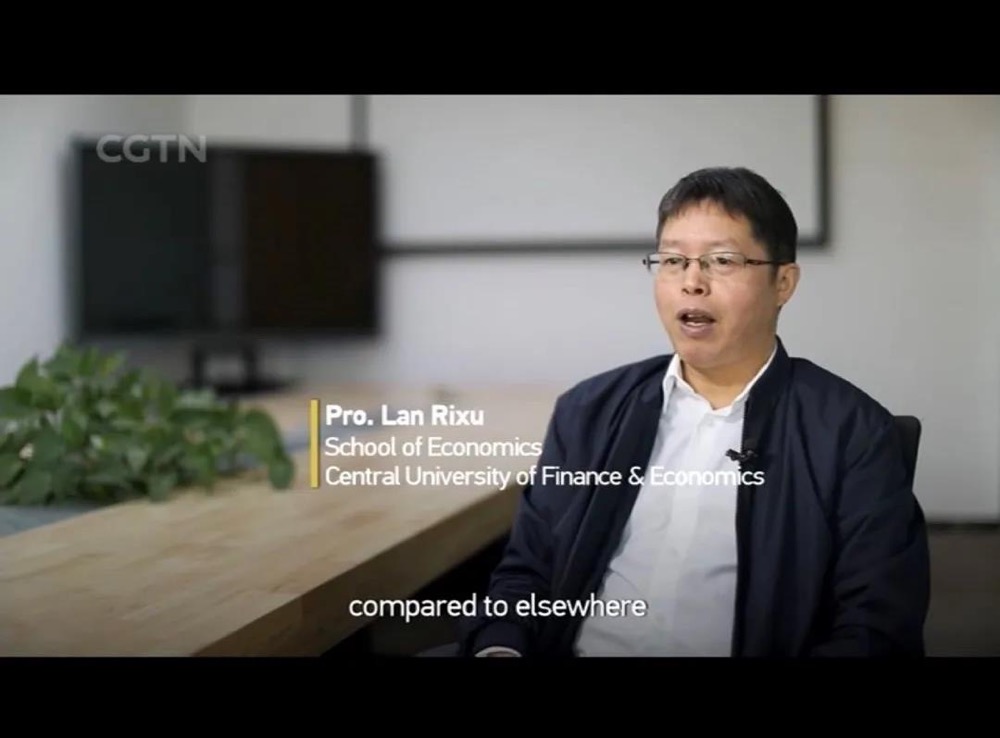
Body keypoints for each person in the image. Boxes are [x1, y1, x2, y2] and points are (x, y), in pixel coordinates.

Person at [456, 166, 930, 657]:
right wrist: (501, 647)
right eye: (672, 261)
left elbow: (877, 626)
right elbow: (526, 573)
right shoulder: (588, 411)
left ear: (783, 282)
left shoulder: (852, 432)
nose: (691, 282)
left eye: (721, 260)